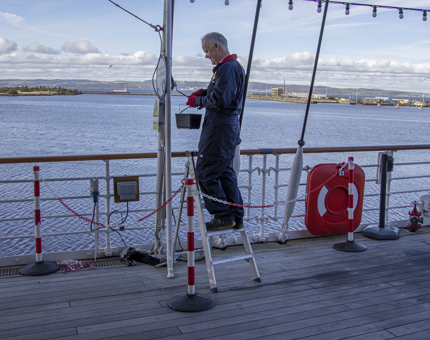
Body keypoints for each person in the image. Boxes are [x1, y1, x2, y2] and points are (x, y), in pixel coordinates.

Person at [186, 32, 245, 232]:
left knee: (205, 171)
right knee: (225, 171)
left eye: (207, 51)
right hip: (227, 128)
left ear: (217, 47)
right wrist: (203, 92)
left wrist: (197, 101)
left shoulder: (227, 69)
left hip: (219, 128)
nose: (206, 56)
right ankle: (237, 216)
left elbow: (220, 101)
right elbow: (220, 93)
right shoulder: (230, 67)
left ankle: (222, 216)